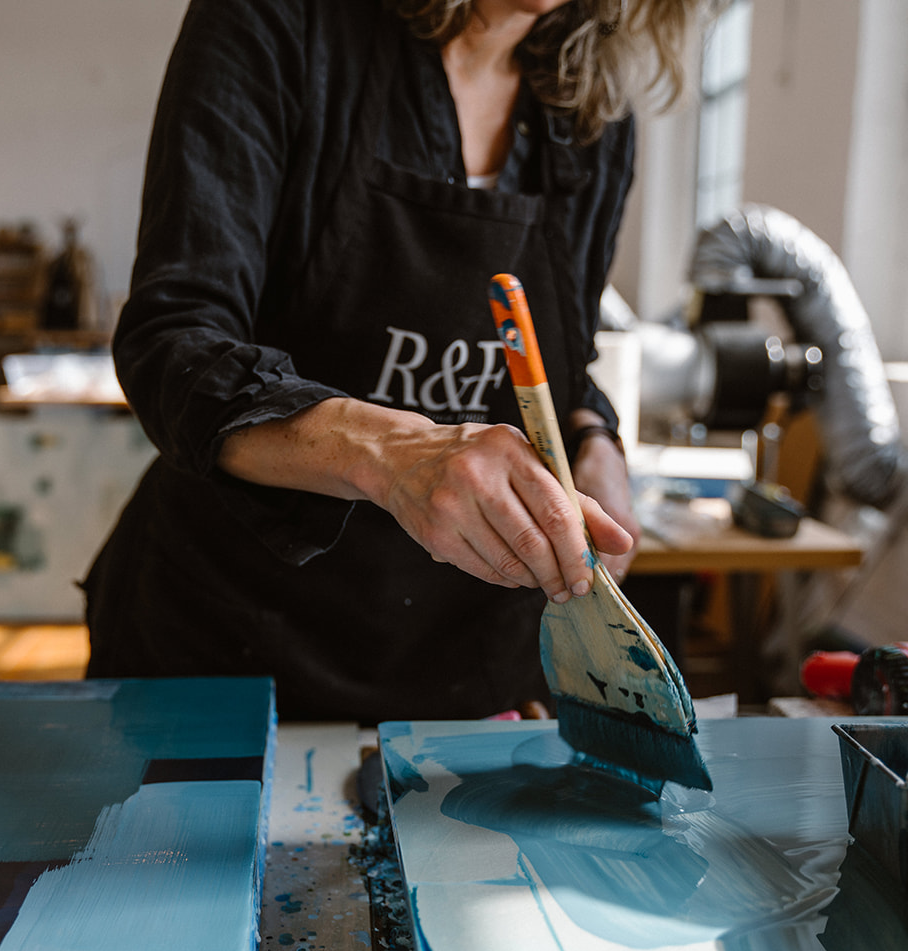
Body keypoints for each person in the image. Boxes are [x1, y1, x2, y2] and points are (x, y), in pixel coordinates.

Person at [84, 0, 699, 721]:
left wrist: (592, 435)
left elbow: (559, 355)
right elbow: (175, 342)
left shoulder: (590, 111)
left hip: (465, 669)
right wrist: (397, 452)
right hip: (231, 644)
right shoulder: (278, 22)